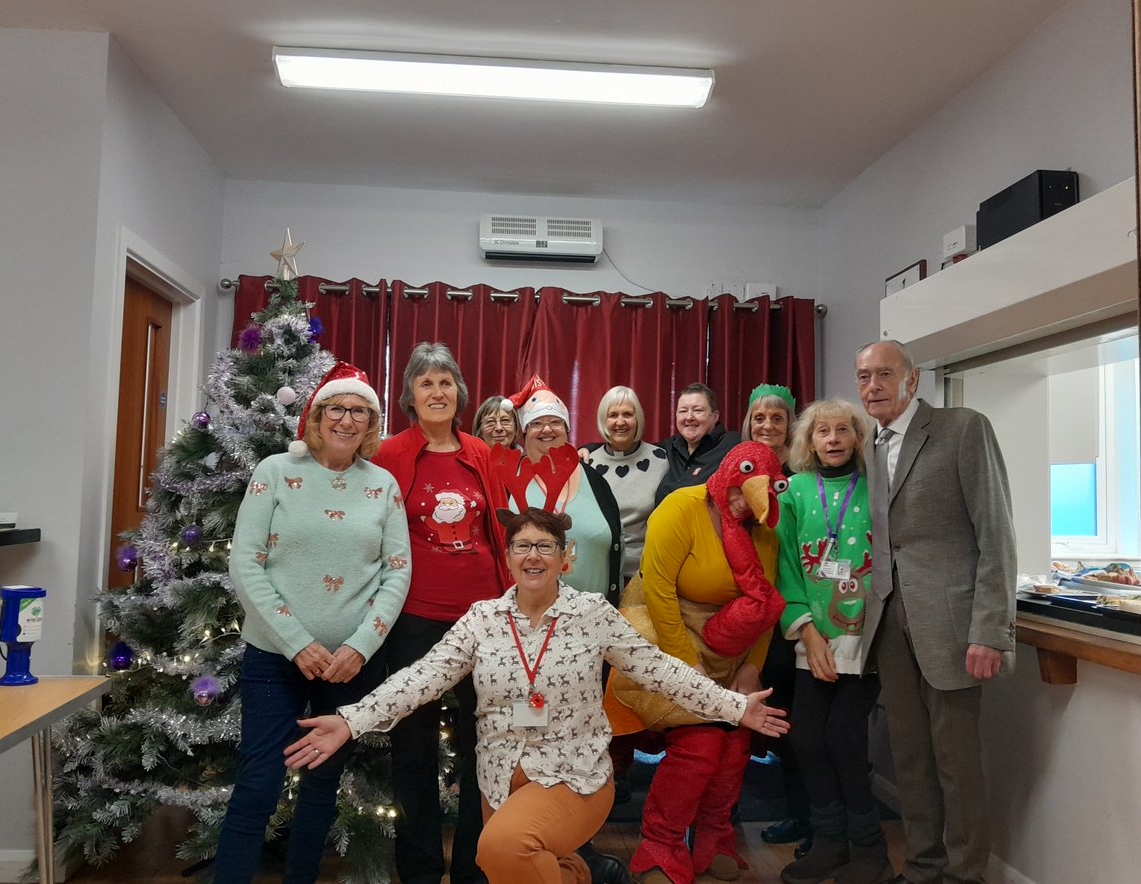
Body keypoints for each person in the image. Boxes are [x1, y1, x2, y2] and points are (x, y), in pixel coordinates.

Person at [283, 507, 791, 884]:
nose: (533, 555)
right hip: (499, 778)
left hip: (575, 775)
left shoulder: (592, 615)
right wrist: (351, 720)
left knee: (501, 849)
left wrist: (733, 706)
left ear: (564, 558)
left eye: (545, 546)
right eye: (522, 545)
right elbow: (422, 677)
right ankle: (573, 874)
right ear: (507, 558)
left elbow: (659, 669)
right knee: (518, 865)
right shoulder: (482, 620)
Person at [213, 362, 411, 884]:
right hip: (275, 658)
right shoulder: (274, 472)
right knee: (259, 782)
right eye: (337, 409)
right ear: (317, 417)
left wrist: (363, 646)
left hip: (349, 666)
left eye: (360, 412)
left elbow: (397, 572)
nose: (347, 420)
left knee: (323, 785)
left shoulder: (383, 485)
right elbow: (245, 562)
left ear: (371, 425)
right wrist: (297, 642)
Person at [855, 340, 1016, 884]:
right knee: (909, 758)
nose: (871, 386)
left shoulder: (963, 428)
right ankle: (924, 868)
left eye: (883, 374)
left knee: (956, 762)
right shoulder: (870, 447)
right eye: (862, 377)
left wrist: (991, 631)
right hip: (889, 624)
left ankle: (965, 874)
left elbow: (996, 534)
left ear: (912, 379)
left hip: (952, 626)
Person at [617, 442, 789, 884]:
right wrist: (684, 666)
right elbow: (657, 591)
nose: (740, 504)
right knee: (701, 742)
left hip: (730, 645)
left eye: (752, 498)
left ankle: (715, 839)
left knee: (734, 745)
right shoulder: (682, 507)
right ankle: (660, 846)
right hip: (666, 631)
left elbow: (766, 606)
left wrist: (752, 669)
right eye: (737, 491)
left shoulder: (764, 528)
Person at [372, 342, 509, 884]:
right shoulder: (389, 454)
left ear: (459, 393)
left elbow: (498, 533)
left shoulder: (479, 451)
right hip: (414, 620)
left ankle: (476, 866)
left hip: (483, 621)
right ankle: (421, 869)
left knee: (487, 745)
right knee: (412, 749)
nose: (436, 391)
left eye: (445, 382)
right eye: (425, 382)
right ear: (409, 394)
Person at [774, 399, 892, 884]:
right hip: (812, 637)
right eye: (823, 431)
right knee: (805, 738)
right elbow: (783, 565)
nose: (834, 439)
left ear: (859, 438)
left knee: (843, 738)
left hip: (868, 638)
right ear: (810, 440)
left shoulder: (879, 488)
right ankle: (829, 843)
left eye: (844, 430)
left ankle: (871, 850)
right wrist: (806, 630)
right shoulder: (795, 491)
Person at [741, 383, 810, 854]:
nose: (767, 426)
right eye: (759, 417)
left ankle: (806, 816)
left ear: (791, 425)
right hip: (745, 614)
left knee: (794, 722)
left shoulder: (803, 475)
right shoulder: (739, 469)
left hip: (794, 615)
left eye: (777, 418)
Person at [505, 374, 623, 604]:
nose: (546, 429)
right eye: (536, 423)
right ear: (524, 432)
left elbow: (619, 544)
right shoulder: (509, 482)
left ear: (566, 428)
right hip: (526, 619)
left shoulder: (596, 480)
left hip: (594, 619)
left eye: (556, 422)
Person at [581, 386, 669, 579]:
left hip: (646, 572)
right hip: (600, 571)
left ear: (638, 419)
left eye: (628, 414)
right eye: (613, 415)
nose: (620, 422)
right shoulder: (588, 463)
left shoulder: (661, 460)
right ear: (603, 420)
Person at [654, 382, 740, 504]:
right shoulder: (668, 448)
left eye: (697, 410)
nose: (689, 417)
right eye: (683, 411)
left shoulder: (734, 445)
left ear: (715, 416)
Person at [741, 382, 798, 473]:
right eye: (759, 419)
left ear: (789, 424)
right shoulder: (739, 465)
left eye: (777, 419)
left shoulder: (804, 467)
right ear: (749, 424)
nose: (768, 426)